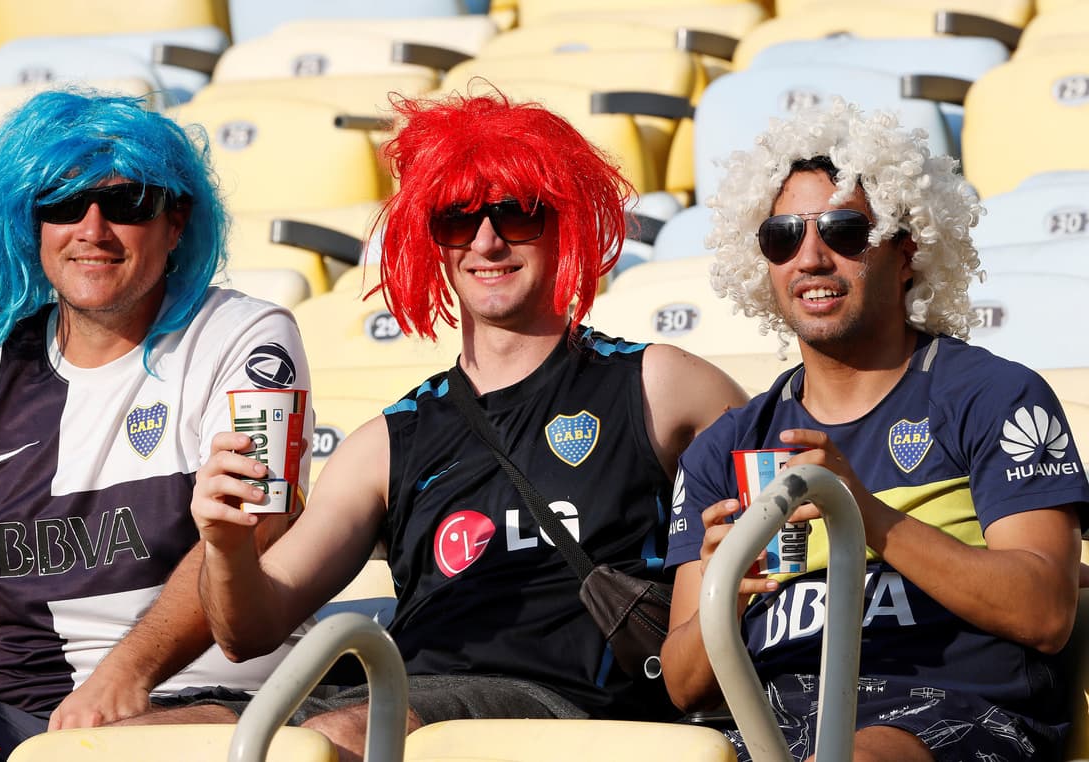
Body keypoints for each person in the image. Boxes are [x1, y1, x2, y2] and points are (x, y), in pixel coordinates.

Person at [190, 91, 748, 762]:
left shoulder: (662, 385)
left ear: (562, 224)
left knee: (329, 739)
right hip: (395, 696)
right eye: (457, 218)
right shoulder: (387, 442)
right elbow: (250, 631)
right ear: (433, 241)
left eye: (516, 212)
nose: (486, 241)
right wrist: (224, 546)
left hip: (565, 712)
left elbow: (769, 538)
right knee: (148, 736)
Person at [0, 90, 312, 759]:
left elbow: (256, 526)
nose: (92, 229)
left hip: (202, 701)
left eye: (127, 204)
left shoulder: (249, 337)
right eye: (63, 203)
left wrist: (123, 674)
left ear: (176, 222)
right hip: (16, 712)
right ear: (31, 224)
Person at [662, 98, 1089, 761]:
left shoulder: (994, 397)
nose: (810, 258)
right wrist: (727, 589)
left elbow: (1045, 612)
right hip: (770, 723)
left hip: (952, 714)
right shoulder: (727, 446)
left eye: (844, 232)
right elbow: (685, 688)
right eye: (783, 237)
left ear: (907, 249)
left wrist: (863, 512)